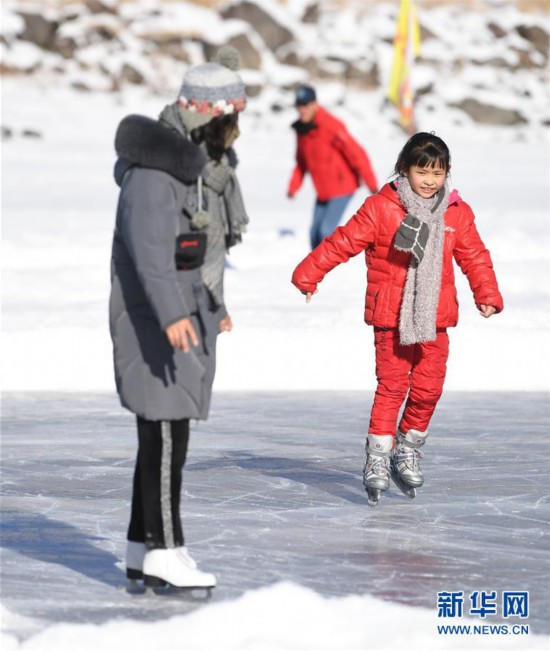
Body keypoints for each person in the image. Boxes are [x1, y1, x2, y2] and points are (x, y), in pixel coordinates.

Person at [291, 132, 503, 505]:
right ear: (405, 169)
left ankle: (407, 447)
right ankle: (377, 457)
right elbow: (343, 242)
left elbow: (474, 256)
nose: (429, 180)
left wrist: (486, 293)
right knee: (392, 387)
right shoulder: (380, 207)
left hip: (436, 318)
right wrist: (309, 274)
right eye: (422, 171)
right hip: (391, 316)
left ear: (447, 174)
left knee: (429, 388)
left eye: (437, 173)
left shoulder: (456, 212)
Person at [109, 46, 249, 587]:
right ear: (204, 118)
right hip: (152, 319)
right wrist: (171, 314)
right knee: (165, 435)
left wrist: (216, 305)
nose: (233, 134)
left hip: (181, 313)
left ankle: (143, 548)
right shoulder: (152, 176)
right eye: (229, 121)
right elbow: (150, 253)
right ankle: (165, 549)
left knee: (163, 435)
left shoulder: (188, 172)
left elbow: (197, 249)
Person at [287, 84, 379, 250]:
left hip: (343, 187)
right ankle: (314, 271)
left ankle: (328, 270)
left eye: (306, 105)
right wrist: (294, 186)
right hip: (323, 190)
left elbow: (357, 153)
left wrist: (371, 183)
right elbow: (301, 162)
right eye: (299, 106)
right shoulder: (303, 130)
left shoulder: (331, 125)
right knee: (313, 234)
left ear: (315, 104)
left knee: (325, 232)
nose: (302, 110)